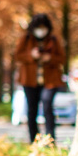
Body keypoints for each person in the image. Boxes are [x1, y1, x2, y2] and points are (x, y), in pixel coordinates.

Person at [14, 13, 66, 144]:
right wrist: (31, 55)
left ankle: (50, 140)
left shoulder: (53, 40)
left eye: (43, 27)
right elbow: (17, 56)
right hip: (29, 80)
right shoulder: (26, 39)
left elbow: (62, 58)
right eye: (38, 27)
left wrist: (50, 58)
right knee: (32, 109)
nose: (41, 31)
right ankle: (34, 140)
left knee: (48, 106)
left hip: (50, 81)